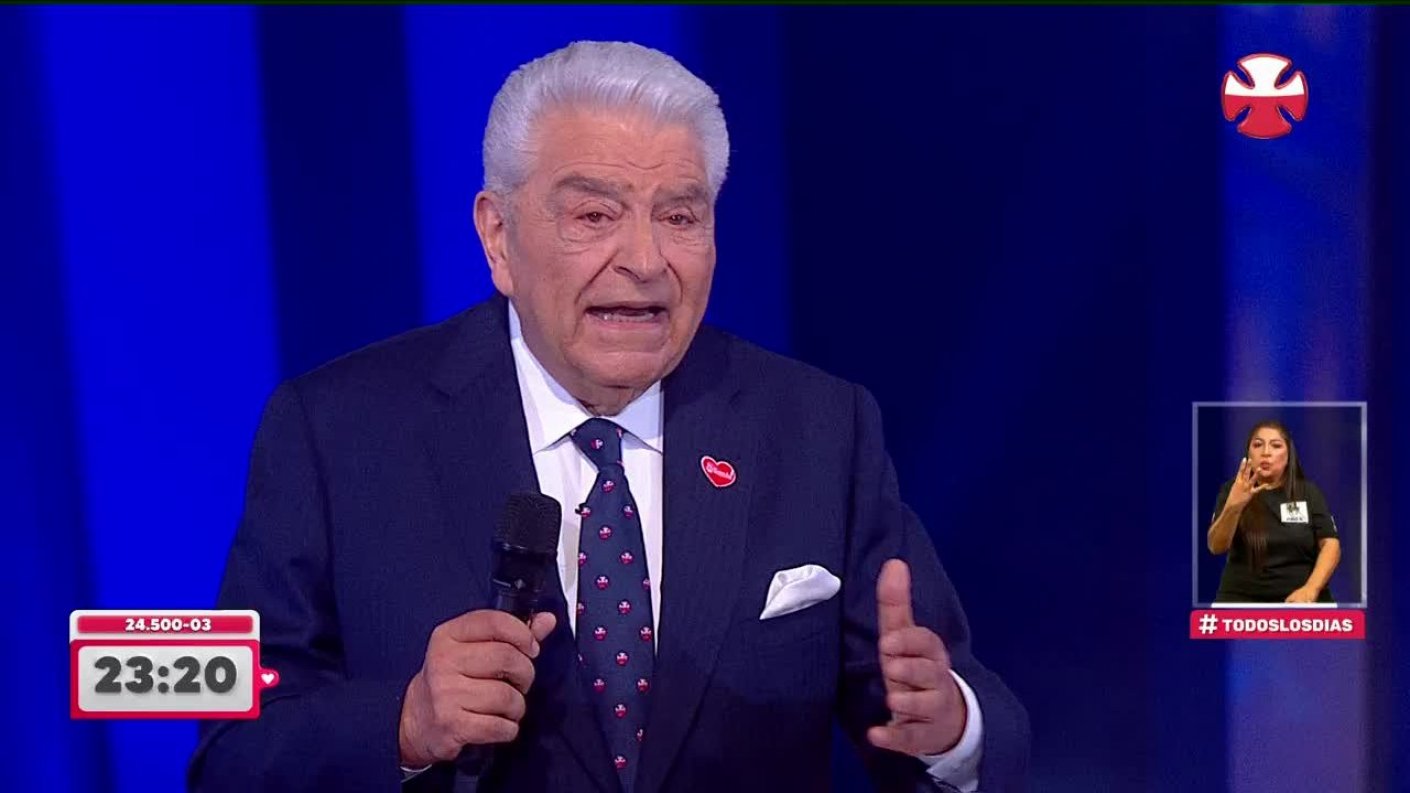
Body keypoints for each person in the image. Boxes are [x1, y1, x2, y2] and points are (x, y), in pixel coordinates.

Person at [188, 41, 1028, 793]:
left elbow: (963, 710)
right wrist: (403, 724)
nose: (645, 259)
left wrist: (950, 728)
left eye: (680, 216)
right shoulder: (336, 432)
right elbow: (232, 752)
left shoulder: (817, 428)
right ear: (498, 237)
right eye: (594, 215)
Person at [1206, 420, 1341, 604]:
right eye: (1258, 445)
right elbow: (1216, 546)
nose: (1266, 452)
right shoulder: (1232, 490)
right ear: (1248, 453)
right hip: (1242, 599)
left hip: (1301, 598)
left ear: (1288, 455)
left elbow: (1330, 545)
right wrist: (1234, 506)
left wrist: (1311, 589)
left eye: (1276, 445)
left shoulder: (1308, 492)